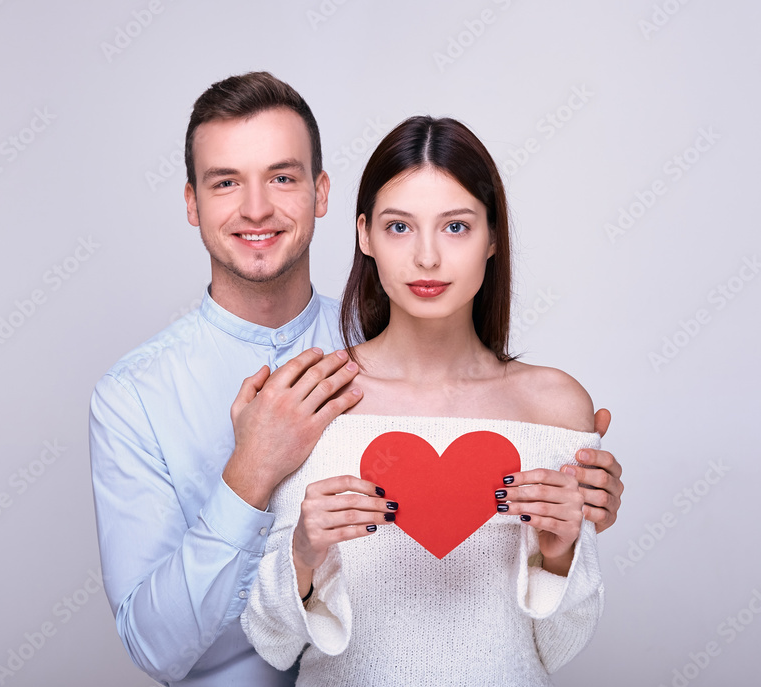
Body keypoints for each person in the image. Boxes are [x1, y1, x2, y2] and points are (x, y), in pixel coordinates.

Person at [89, 73, 624, 687]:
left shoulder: (526, 394)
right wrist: (254, 477)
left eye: (282, 176)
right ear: (367, 234)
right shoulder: (149, 397)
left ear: (322, 194)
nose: (257, 207)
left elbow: (557, 630)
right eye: (226, 182)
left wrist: (570, 537)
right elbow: (187, 644)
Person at [241, 115, 608, 685]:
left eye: (456, 227)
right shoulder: (315, 399)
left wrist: (560, 556)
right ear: (365, 235)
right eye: (399, 228)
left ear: (493, 238)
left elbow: (558, 646)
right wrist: (303, 552)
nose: (428, 258)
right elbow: (274, 644)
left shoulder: (554, 407)